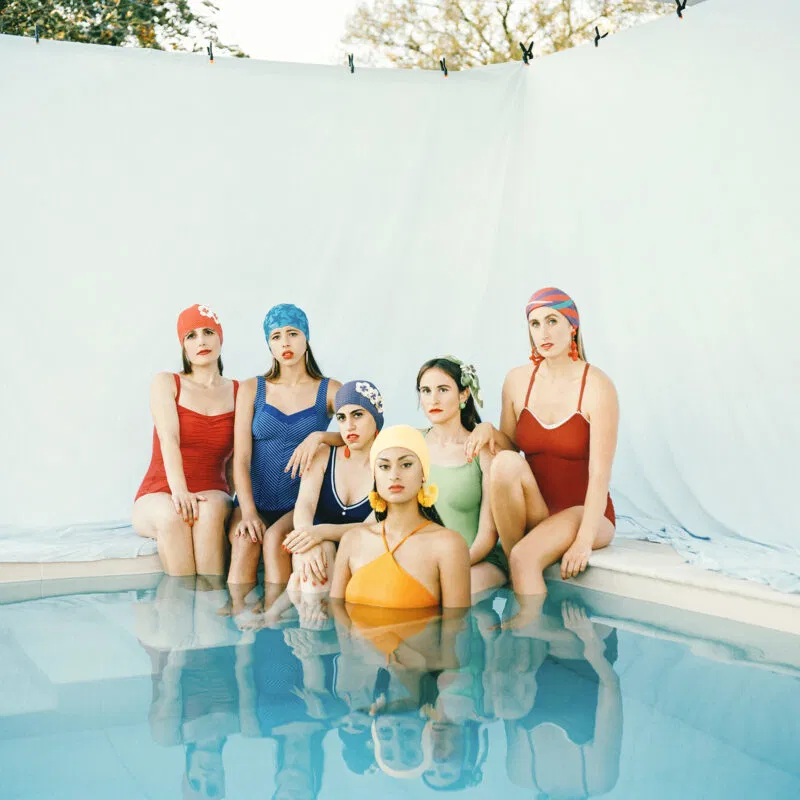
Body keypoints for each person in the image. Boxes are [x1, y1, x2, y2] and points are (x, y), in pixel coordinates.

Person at [464, 288, 618, 595]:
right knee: (503, 462)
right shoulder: (517, 381)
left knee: (524, 559)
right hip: (535, 510)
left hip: (585, 513)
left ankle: (525, 604)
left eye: (552, 321)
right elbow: (509, 450)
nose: (543, 333)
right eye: (535, 324)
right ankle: (516, 564)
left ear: (572, 325)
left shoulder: (597, 386)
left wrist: (583, 541)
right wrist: (487, 430)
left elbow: (600, 474)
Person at [227, 303, 342, 589]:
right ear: (269, 344)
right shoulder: (252, 388)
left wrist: (320, 437)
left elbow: (362, 433)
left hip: (299, 504)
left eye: (293, 333)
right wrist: (249, 512)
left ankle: (273, 610)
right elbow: (241, 458)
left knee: (276, 540)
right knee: (244, 542)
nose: (285, 343)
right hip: (253, 501)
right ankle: (237, 611)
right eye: (276, 336)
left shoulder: (330, 390)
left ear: (306, 337)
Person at [133, 304, 237, 577]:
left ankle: (211, 598)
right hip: (160, 492)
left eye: (208, 332)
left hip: (213, 491)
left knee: (210, 512)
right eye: (191, 335)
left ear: (220, 337)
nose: (201, 341)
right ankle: (178, 600)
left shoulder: (240, 391)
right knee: (172, 516)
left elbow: (240, 458)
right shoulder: (166, 382)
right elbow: (168, 438)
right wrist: (179, 492)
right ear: (183, 345)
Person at [330, 425, 471, 609]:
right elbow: (336, 616)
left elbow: (456, 624)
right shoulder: (352, 540)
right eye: (384, 466)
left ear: (423, 472)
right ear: (374, 475)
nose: (394, 475)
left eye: (406, 465)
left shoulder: (449, 545)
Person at [280, 380, 385, 591]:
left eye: (357, 415)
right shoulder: (323, 455)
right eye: (341, 418)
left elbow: (372, 527)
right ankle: (306, 606)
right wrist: (308, 541)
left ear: (376, 418)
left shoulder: (388, 465)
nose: (349, 425)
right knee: (318, 553)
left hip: (358, 551)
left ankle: (297, 600)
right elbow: (305, 506)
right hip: (318, 547)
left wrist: (321, 532)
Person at [417, 356, 507, 596]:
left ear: (463, 394)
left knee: (449, 597)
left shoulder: (482, 451)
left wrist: (449, 567)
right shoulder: (413, 444)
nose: (433, 399)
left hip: (477, 560)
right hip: (425, 563)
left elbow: (488, 536)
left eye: (443, 389)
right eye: (426, 391)